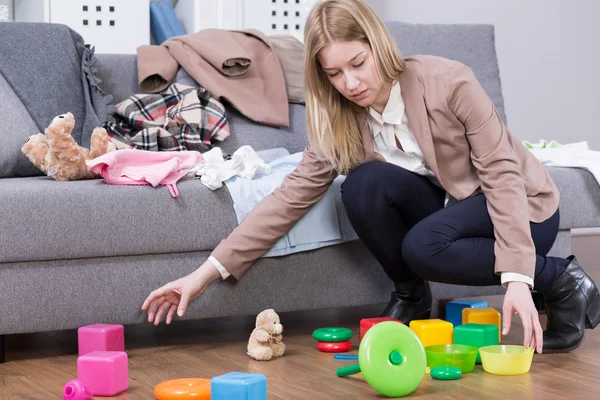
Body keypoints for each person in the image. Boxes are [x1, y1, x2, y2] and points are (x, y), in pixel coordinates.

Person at [141, 0, 600, 354]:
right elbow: (290, 197)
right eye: (335, 73)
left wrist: (519, 278)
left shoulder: (449, 82)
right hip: (453, 208)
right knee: (360, 187)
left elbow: (501, 173)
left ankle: (560, 278)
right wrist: (203, 274)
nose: (351, 83)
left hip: (521, 206)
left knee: (422, 246)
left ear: (378, 45)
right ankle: (412, 296)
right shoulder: (340, 117)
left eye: (358, 63)